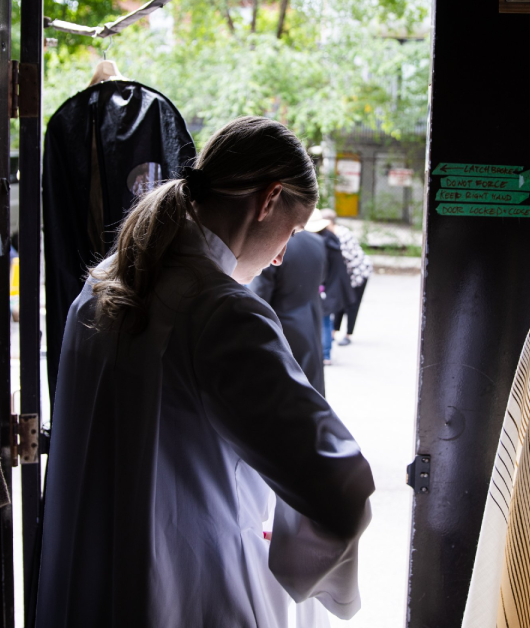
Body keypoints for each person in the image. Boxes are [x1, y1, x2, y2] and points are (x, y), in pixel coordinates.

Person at [35, 117, 375, 628]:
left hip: (92, 582)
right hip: (197, 588)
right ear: (268, 199)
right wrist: (317, 579)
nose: (282, 256)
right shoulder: (222, 314)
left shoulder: (102, 288)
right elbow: (338, 486)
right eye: (292, 230)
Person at [248, 221, 329, 396]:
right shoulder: (317, 242)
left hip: (282, 331)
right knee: (310, 391)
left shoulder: (272, 243)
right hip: (311, 324)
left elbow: (260, 296)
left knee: (281, 394)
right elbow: (322, 278)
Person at [313, 210, 353, 366]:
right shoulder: (331, 238)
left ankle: (324, 354)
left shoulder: (321, 242)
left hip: (326, 288)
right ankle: (326, 354)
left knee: (323, 320)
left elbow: (322, 269)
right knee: (326, 320)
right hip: (334, 287)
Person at [330, 216, 372, 346]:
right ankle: (333, 332)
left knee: (352, 303)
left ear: (330, 223)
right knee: (340, 302)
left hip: (359, 274)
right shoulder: (338, 232)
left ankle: (348, 334)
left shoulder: (341, 236)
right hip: (348, 275)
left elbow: (343, 261)